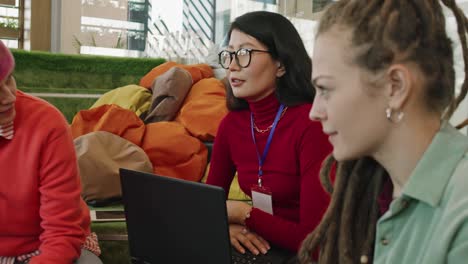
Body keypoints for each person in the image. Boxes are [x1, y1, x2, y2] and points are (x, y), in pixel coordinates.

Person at [298, 0, 468, 263]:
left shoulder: (461, 215)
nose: (314, 111)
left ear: (395, 87)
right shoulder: (376, 191)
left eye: (325, 89)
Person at [206, 11, 332, 259]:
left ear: (281, 65)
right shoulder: (232, 124)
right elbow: (211, 206)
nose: (232, 65)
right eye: (230, 54)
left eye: (244, 53)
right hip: (262, 247)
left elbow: (315, 243)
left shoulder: (312, 124)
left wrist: (243, 214)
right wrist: (226, 227)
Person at [0, 41, 102, 263]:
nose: (9, 97)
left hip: (47, 248)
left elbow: (62, 232)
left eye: (8, 79)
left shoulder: (47, 123)